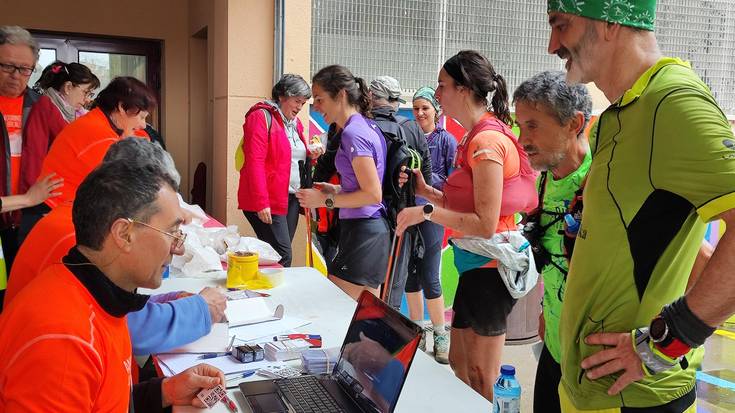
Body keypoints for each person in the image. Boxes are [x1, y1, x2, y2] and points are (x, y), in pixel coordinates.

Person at [546, 1, 735, 411]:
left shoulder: (674, 102)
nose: (552, 45)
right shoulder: (620, 114)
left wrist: (667, 342)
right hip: (591, 390)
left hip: (634, 396)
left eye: (561, 26)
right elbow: (669, 240)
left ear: (612, 20)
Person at [0, 156, 225, 411]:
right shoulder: (63, 341)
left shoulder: (97, 294)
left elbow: (104, 400)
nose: (178, 247)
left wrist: (166, 392)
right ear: (124, 234)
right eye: (172, 232)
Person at [395, 50, 537, 401]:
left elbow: (484, 223)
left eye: (442, 86)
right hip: (475, 266)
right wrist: (427, 192)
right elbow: (469, 204)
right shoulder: (474, 137)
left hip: (490, 269)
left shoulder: (487, 143)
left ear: (463, 88)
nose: (437, 94)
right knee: (459, 364)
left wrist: (426, 211)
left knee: (481, 377)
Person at [512, 71, 592, 412]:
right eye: (520, 126)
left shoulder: (606, 184)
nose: (522, 139)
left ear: (574, 123)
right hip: (554, 349)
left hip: (593, 364)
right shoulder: (545, 181)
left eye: (533, 125)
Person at [296, 65, 389, 301]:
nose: (315, 106)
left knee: (333, 314)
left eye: (319, 99)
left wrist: (324, 200)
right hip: (366, 231)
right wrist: (336, 189)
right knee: (364, 323)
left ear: (341, 95)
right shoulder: (364, 126)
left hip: (364, 232)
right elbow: (366, 185)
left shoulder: (352, 133)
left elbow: (372, 193)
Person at [39, 76, 154, 209]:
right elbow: (130, 191)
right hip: (57, 210)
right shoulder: (99, 135)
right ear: (122, 107)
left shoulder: (99, 120)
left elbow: (142, 138)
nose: (143, 125)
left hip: (65, 204)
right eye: (141, 117)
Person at [369, 75, 432, 311]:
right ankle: (389, 336)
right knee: (394, 282)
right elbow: (425, 173)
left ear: (371, 97)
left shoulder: (359, 125)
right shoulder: (411, 128)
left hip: (364, 215)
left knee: (366, 282)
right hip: (403, 215)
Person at [18, 60, 100, 243]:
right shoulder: (47, 108)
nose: (87, 99)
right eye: (85, 92)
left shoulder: (64, 110)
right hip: (43, 197)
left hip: (53, 194)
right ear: (68, 87)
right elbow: (34, 154)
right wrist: (35, 197)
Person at [238, 74, 314, 267]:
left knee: (273, 254)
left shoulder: (295, 124)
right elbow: (255, 161)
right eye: (297, 101)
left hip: (291, 197)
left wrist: (312, 153)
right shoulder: (260, 116)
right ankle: (273, 295)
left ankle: (265, 292)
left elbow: (292, 157)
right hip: (270, 199)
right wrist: (261, 203)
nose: (299, 107)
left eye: (303, 103)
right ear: (282, 96)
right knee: (282, 255)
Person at [407, 86, 456, 364]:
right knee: (410, 275)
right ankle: (417, 332)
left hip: (432, 213)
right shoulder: (407, 137)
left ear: (436, 111)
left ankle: (440, 334)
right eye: (415, 108)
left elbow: (452, 182)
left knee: (430, 274)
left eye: (425, 107)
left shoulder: (447, 140)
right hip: (407, 212)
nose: (420, 113)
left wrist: (426, 183)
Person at [0, 26, 41, 272]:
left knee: (25, 285)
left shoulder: (41, 108)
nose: (16, 75)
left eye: (25, 69)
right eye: (7, 66)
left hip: (30, 220)